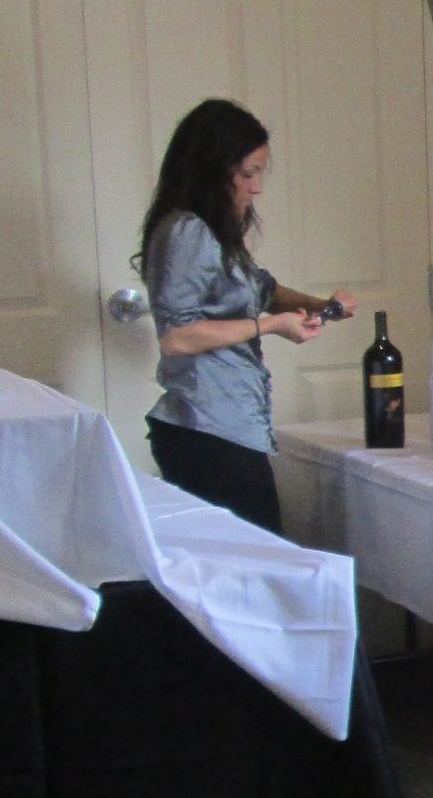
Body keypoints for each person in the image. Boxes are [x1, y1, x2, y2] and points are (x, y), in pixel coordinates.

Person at [138, 98, 355, 536]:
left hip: (226, 425)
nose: (255, 188)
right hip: (206, 429)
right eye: (247, 174)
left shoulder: (213, 231)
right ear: (210, 169)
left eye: (259, 173)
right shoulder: (188, 232)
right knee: (251, 560)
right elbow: (177, 337)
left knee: (251, 554)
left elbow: (262, 290)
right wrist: (272, 326)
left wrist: (320, 306)